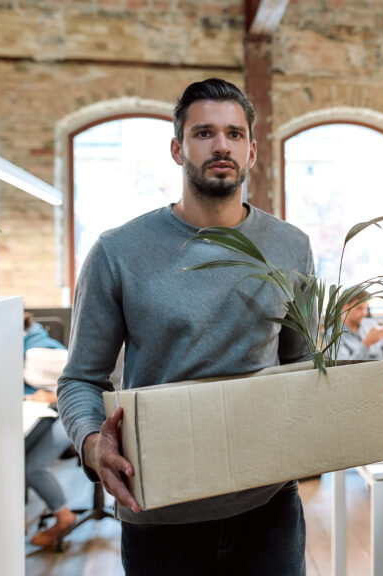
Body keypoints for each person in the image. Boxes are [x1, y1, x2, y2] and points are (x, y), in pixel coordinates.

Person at [56, 78, 315, 575]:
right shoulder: (118, 252)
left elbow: (300, 362)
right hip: (159, 512)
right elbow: (80, 379)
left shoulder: (291, 246)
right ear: (178, 149)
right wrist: (92, 442)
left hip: (270, 509)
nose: (221, 146)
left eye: (235, 135)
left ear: (252, 150)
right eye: (204, 133)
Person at [23, 312, 76, 547]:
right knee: (20, 458)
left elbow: (83, 382)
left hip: (72, 413)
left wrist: (50, 396)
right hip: (52, 413)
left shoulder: (35, 354)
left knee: (32, 468)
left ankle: (64, 517)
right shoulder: (28, 344)